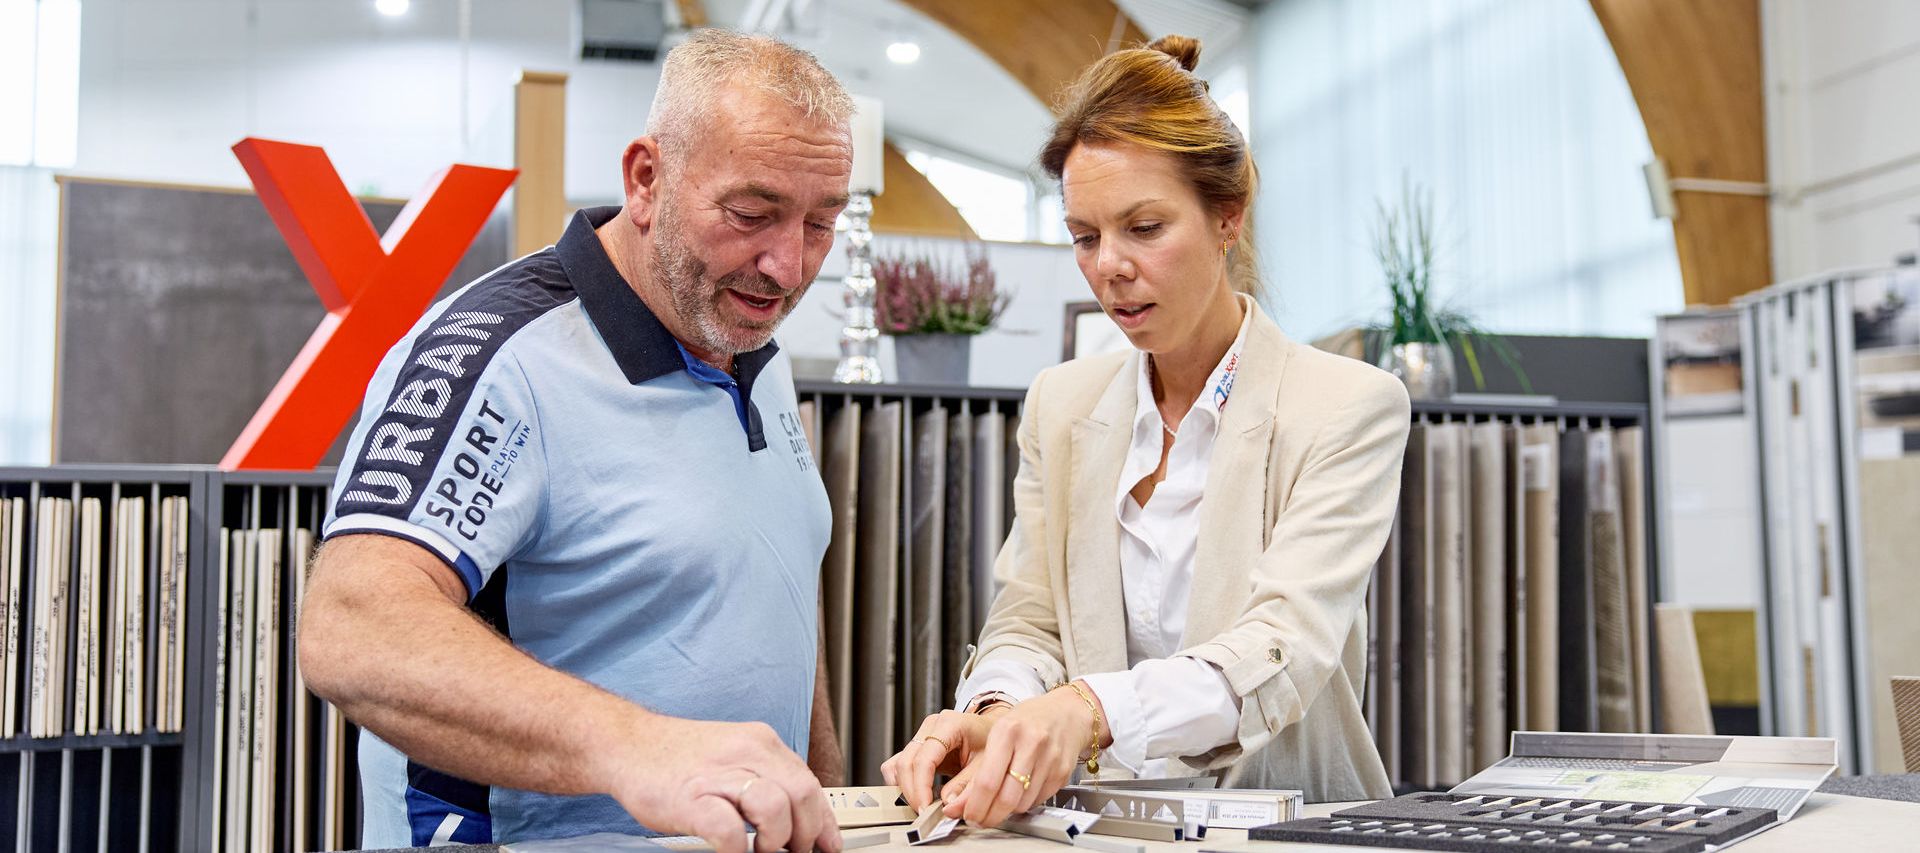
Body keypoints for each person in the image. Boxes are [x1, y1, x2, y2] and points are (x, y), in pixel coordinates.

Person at [298, 30, 856, 851]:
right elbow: (353, 627)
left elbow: (771, 584)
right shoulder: (500, 356)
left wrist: (825, 792)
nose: (787, 264)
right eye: (751, 214)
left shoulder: (745, 340)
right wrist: (638, 746)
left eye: (820, 223)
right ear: (645, 179)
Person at [882, 34, 1407, 828]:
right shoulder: (1062, 404)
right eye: (1085, 236)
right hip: (1098, 829)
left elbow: (1284, 648)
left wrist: (1086, 710)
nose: (1110, 267)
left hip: (1289, 827)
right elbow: (1030, 615)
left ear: (1227, 217)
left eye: (1145, 227)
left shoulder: (1346, 405)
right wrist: (998, 710)